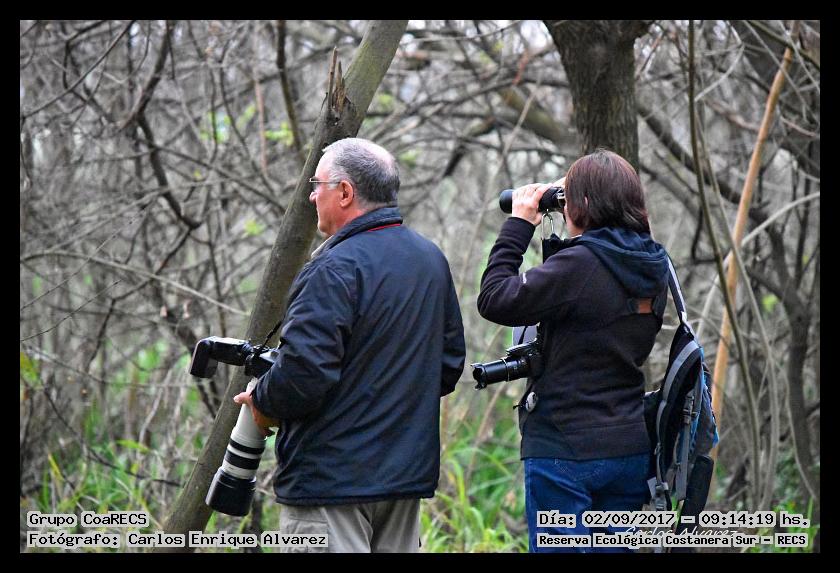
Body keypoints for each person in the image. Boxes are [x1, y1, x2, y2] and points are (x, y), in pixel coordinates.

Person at [234, 137, 466, 553]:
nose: (311, 195)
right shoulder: (430, 260)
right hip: (402, 485)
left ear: (344, 192)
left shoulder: (332, 269)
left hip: (329, 486)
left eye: (317, 184)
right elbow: (447, 367)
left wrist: (262, 400)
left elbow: (303, 375)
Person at [476, 149, 670, 553]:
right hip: (628, 446)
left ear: (581, 204)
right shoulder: (653, 265)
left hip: (565, 448)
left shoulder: (580, 266)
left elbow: (494, 298)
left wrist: (519, 224)